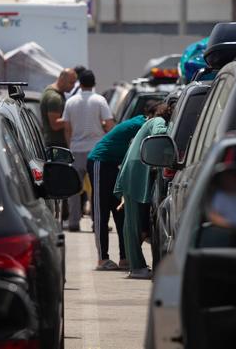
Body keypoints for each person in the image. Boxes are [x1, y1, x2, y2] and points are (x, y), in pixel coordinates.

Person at [87, 108, 153, 270]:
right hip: (100, 162)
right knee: (101, 212)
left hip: (112, 165)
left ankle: (125, 257)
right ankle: (102, 259)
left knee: (119, 212)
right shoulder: (142, 124)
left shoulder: (140, 123)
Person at [114, 103, 172, 279]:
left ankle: (136, 264)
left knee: (132, 223)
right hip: (135, 172)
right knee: (132, 224)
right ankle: (137, 267)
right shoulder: (158, 120)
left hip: (134, 170)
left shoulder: (149, 122)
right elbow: (160, 134)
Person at [62, 70, 115, 232]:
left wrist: (70, 145)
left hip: (76, 150)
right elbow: (110, 124)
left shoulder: (71, 102)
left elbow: (67, 127)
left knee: (73, 189)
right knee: (97, 189)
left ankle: (73, 222)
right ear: (93, 84)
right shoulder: (100, 101)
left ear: (80, 84)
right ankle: (98, 223)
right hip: (96, 151)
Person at [40, 68, 77, 148]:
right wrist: (75, 117)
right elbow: (55, 125)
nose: (73, 86)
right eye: (71, 83)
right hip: (56, 146)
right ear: (62, 80)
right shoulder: (54, 97)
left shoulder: (56, 94)